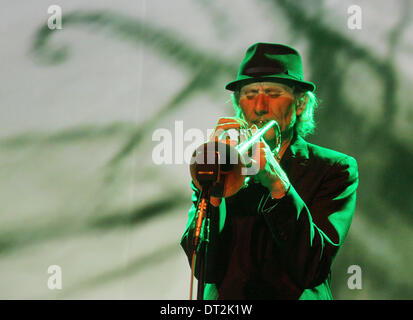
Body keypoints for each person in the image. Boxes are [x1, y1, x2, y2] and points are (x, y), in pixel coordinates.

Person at [180, 42, 359, 300]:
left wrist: (279, 185)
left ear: (299, 104)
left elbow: (313, 268)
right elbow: (204, 270)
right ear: (239, 104)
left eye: (273, 94)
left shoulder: (334, 168)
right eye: (250, 94)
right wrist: (216, 192)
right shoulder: (219, 167)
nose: (260, 106)